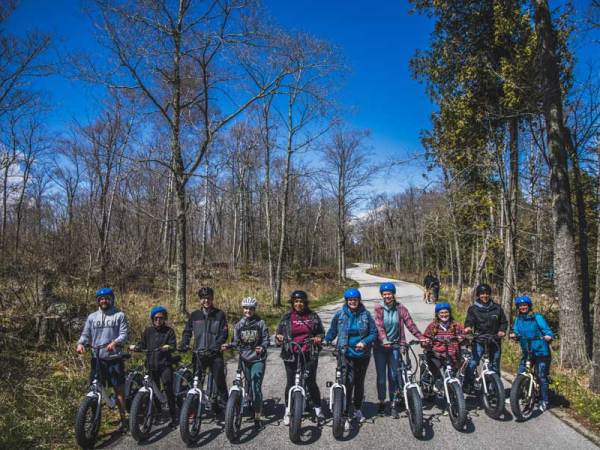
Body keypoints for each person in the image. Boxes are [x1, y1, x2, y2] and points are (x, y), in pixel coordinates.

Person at [76, 287, 129, 431]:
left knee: (118, 390)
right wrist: (81, 343)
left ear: (111, 299)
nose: (104, 301)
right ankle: (95, 419)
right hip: (97, 358)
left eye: (106, 298)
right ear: (98, 301)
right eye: (101, 299)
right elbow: (86, 334)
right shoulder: (92, 317)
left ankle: (123, 418)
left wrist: (115, 342)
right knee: (95, 387)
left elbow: (124, 334)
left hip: (114, 358)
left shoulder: (119, 315)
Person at [324, 287, 377, 430]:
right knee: (347, 382)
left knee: (359, 382)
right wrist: (327, 340)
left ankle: (358, 408)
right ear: (346, 301)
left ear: (359, 300)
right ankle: (345, 414)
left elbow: (373, 333)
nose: (352, 302)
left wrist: (364, 342)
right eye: (350, 300)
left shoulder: (366, 315)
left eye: (355, 299)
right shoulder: (340, 315)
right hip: (344, 353)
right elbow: (333, 330)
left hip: (362, 354)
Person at [373, 282, 424, 417]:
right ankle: (382, 401)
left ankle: (394, 402)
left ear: (393, 294)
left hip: (395, 346)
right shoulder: (379, 308)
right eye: (385, 294)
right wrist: (384, 340)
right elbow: (378, 326)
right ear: (382, 296)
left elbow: (409, 323)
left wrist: (420, 336)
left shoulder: (400, 308)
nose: (387, 296)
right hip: (380, 348)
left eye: (389, 294)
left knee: (394, 376)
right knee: (382, 378)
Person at [275, 290, 325, 425]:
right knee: (290, 383)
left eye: (301, 301)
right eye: (296, 301)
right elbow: (278, 333)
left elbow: (321, 332)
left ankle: (318, 410)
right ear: (292, 302)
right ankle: (287, 410)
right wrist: (279, 338)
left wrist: (318, 338)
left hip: (309, 353)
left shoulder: (312, 316)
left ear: (305, 303)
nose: (299, 304)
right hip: (291, 353)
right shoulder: (286, 317)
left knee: (310, 381)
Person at [180, 287, 229, 414]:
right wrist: (184, 344)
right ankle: (193, 410)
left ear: (212, 299)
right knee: (196, 383)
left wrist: (217, 345)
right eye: (203, 298)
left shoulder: (219, 314)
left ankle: (227, 408)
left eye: (208, 298)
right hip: (199, 354)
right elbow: (187, 332)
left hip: (215, 354)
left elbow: (224, 333)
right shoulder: (194, 315)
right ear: (200, 300)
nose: (206, 300)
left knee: (220, 381)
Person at [130, 306, 178, 427]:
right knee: (153, 389)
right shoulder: (148, 331)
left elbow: (173, 345)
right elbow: (143, 343)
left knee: (168, 387)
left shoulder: (169, 331)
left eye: (161, 318)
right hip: (151, 365)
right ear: (152, 318)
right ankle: (159, 413)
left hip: (165, 365)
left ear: (164, 318)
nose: (158, 320)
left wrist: (168, 347)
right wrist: (137, 347)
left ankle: (174, 415)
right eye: (156, 318)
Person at [227, 297, 270, 430]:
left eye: (251, 308)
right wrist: (228, 345)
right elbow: (235, 341)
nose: (248, 310)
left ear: (254, 309)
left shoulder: (260, 323)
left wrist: (262, 347)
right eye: (246, 308)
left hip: (258, 359)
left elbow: (266, 339)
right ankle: (249, 406)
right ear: (243, 309)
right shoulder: (239, 324)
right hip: (244, 358)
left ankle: (257, 415)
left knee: (255, 386)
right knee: (248, 386)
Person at [509, 295, 554, 412]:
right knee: (521, 373)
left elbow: (547, 330)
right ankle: (516, 396)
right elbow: (516, 330)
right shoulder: (518, 319)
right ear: (518, 307)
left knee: (541, 376)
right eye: (520, 306)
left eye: (525, 305)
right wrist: (514, 335)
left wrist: (549, 336)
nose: (523, 307)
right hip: (527, 351)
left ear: (529, 306)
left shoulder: (536, 317)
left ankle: (544, 400)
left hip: (540, 351)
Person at [462, 284, 508, 393]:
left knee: (495, 364)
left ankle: (494, 388)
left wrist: (502, 331)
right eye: (482, 293)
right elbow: (469, 321)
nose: (485, 295)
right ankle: (467, 383)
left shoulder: (497, 308)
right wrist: (468, 328)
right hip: (479, 339)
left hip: (494, 339)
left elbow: (504, 322)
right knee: (473, 362)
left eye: (487, 293)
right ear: (478, 294)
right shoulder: (473, 308)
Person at [422, 303, 465, 390]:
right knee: (435, 366)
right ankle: (437, 379)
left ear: (450, 313)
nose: (444, 315)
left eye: (446, 312)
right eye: (441, 313)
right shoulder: (432, 326)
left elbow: (464, 336)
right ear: (437, 314)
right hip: (437, 354)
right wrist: (425, 342)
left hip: (453, 354)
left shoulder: (456, 325)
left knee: (454, 373)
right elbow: (425, 338)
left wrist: (463, 338)